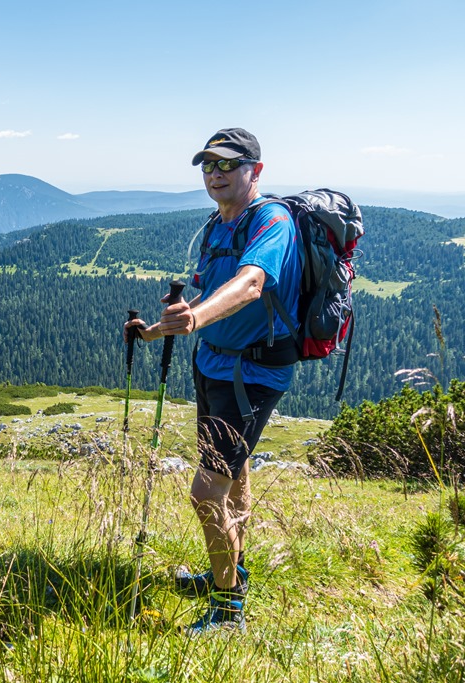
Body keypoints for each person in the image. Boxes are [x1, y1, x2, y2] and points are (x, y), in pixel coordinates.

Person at [125, 128, 301, 633]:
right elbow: (204, 293)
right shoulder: (217, 225)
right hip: (212, 365)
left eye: (227, 164)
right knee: (232, 476)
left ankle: (228, 610)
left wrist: (196, 320)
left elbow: (250, 284)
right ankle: (229, 572)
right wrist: (158, 330)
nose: (215, 173)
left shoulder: (271, 221)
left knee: (205, 491)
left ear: (255, 171)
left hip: (253, 373)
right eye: (208, 165)